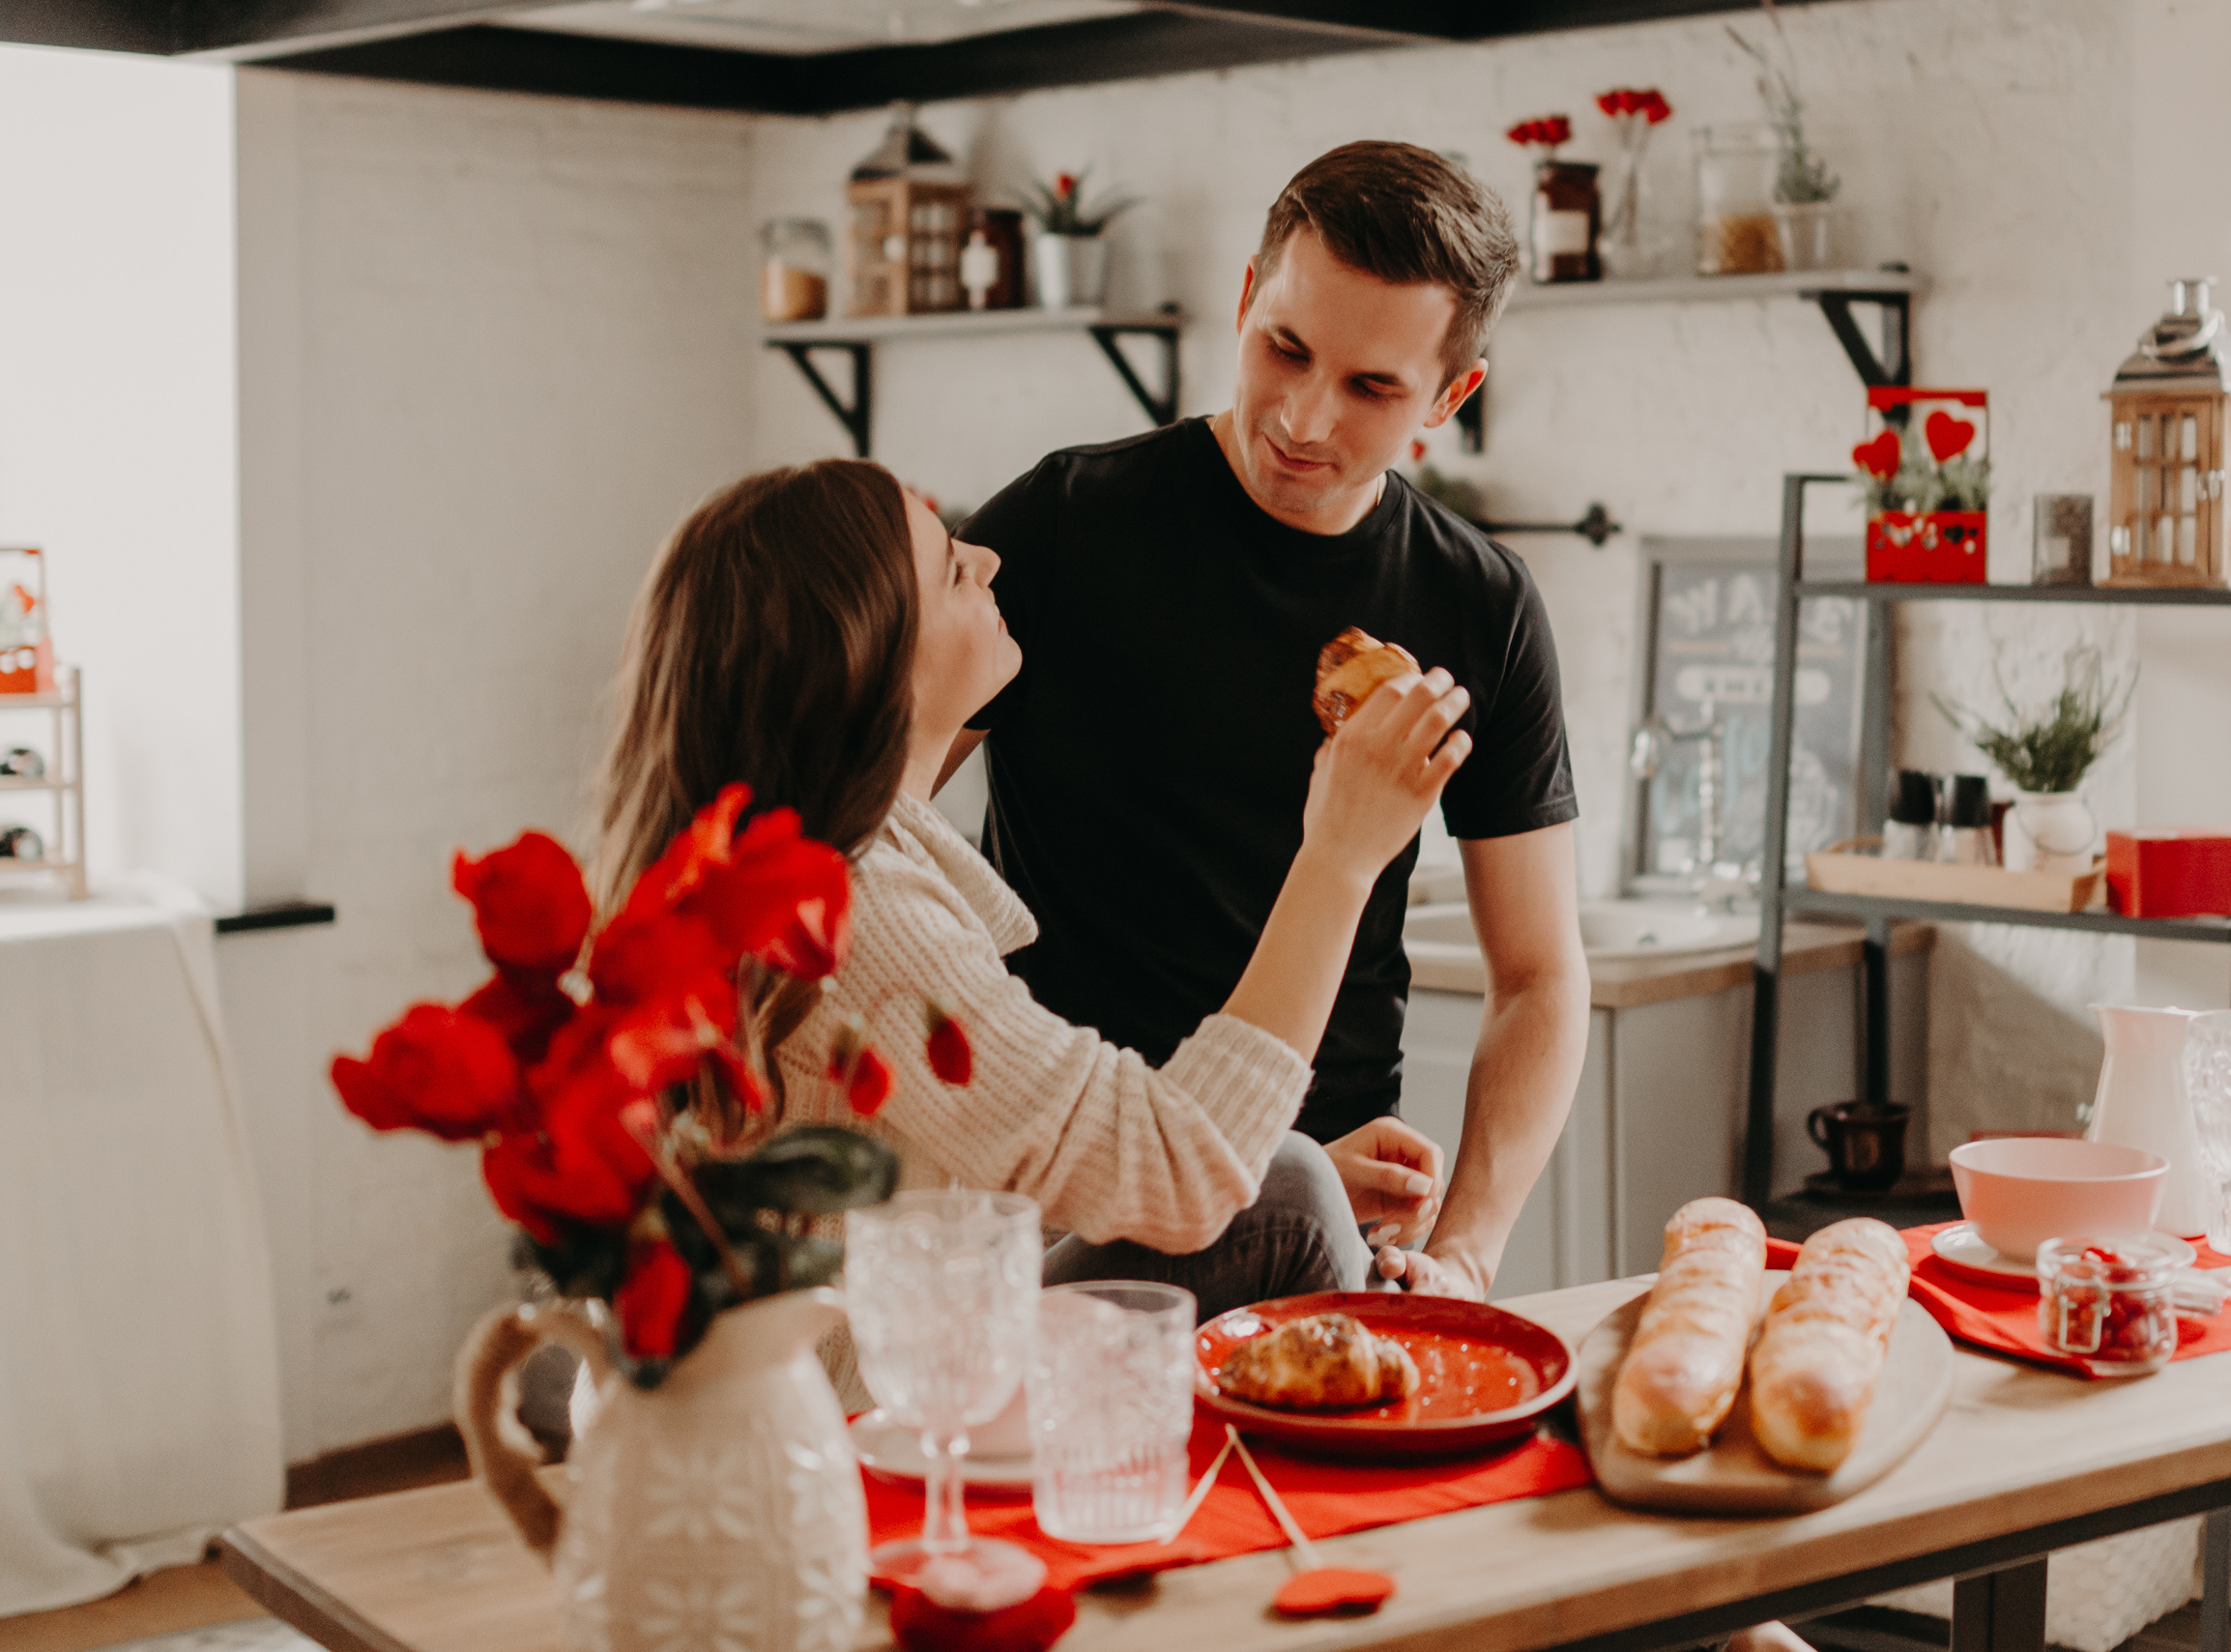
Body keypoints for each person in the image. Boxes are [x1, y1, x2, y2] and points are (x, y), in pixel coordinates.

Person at [595, 457, 1471, 1319]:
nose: (989, 561)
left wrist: (1262, 1159)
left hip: (894, 1354)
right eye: (950, 569)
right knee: (1288, 1194)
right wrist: (1342, 856)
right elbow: (1172, 1176)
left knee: (1288, 1177)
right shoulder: (861, 914)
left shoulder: (824, 879)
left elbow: (986, 1175)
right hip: (883, 1412)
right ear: (867, 663)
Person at [946, 140, 1592, 1299]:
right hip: (1075, 1212)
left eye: (1371, 388)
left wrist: (1466, 1250)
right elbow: (864, 823)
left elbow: (1540, 977)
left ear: (1449, 397)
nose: (1302, 416)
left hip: (1332, 1221)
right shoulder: (1065, 526)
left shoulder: (1480, 606)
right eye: (1283, 348)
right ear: (1245, 298)